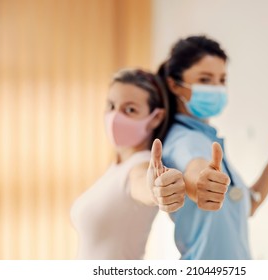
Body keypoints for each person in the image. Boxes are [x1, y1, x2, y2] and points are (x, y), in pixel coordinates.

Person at [157, 35, 268, 259]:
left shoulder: (206, 139)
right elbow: (195, 169)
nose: (216, 88)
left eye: (222, 80)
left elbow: (248, 205)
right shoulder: (183, 139)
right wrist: (201, 183)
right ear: (174, 84)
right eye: (205, 79)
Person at [70, 69, 185, 259]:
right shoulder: (116, 165)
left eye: (130, 109)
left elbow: (143, 183)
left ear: (155, 117)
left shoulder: (140, 165)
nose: (115, 116)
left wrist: (156, 188)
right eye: (111, 106)